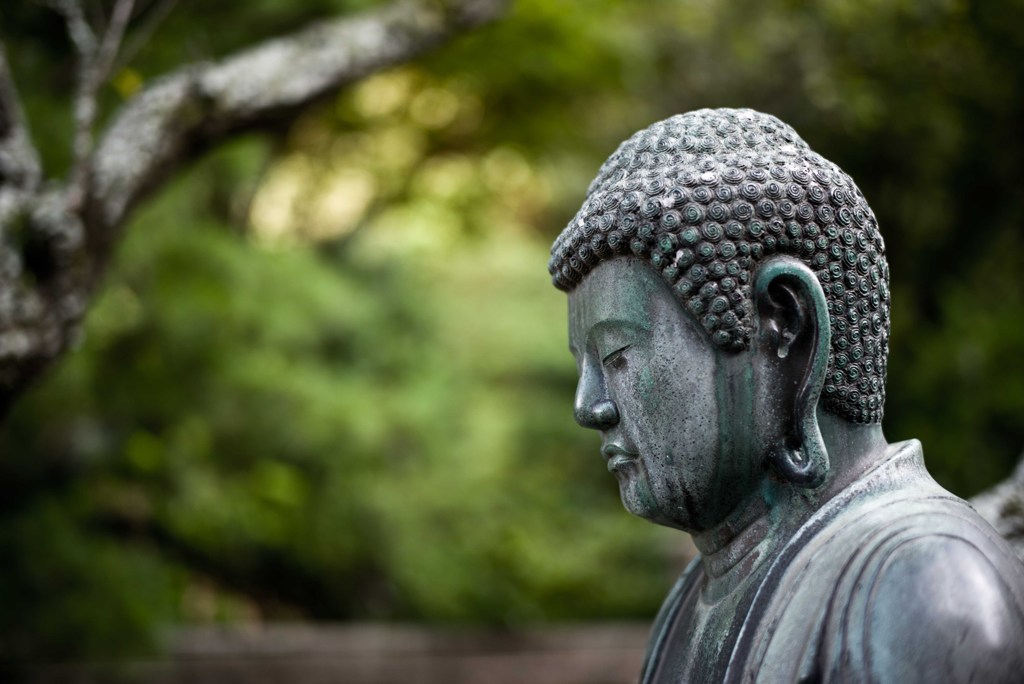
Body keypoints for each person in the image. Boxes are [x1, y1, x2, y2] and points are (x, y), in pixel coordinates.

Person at [550, 108, 1024, 683]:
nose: (588, 407)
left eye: (617, 355)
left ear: (786, 326)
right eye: (584, 367)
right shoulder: (696, 595)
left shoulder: (922, 588)